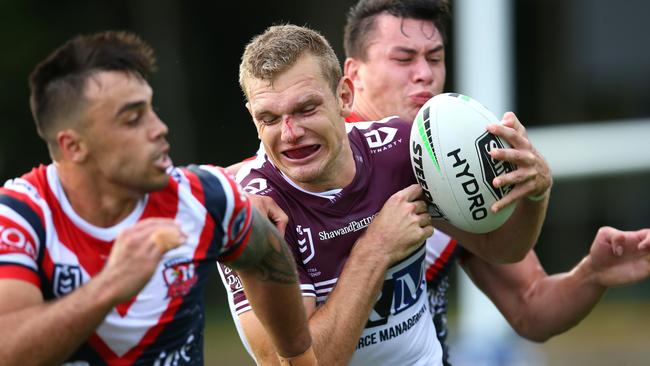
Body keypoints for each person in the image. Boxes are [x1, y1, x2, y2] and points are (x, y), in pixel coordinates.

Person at [219, 23, 553, 366]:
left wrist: (536, 193)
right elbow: (292, 363)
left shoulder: (399, 148)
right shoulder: (252, 213)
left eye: (306, 109)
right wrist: (376, 249)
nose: (290, 133)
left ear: (344, 96)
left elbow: (502, 248)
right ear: (252, 118)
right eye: (270, 118)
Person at [342, 0, 650, 364]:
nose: (424, 73)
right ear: (354, 73)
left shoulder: (448, 160)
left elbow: (531, 306)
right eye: (404, 59)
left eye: (435, 58)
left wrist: (593, 274)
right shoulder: (318, 168)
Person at [0, 31, 317, 366]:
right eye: (133, 118)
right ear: (73, 146)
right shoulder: (21, 217)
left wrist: (298, 356)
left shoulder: (204, 196)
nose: (159, 127)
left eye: (151, 109)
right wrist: (110, 286)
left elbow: (269, 257)